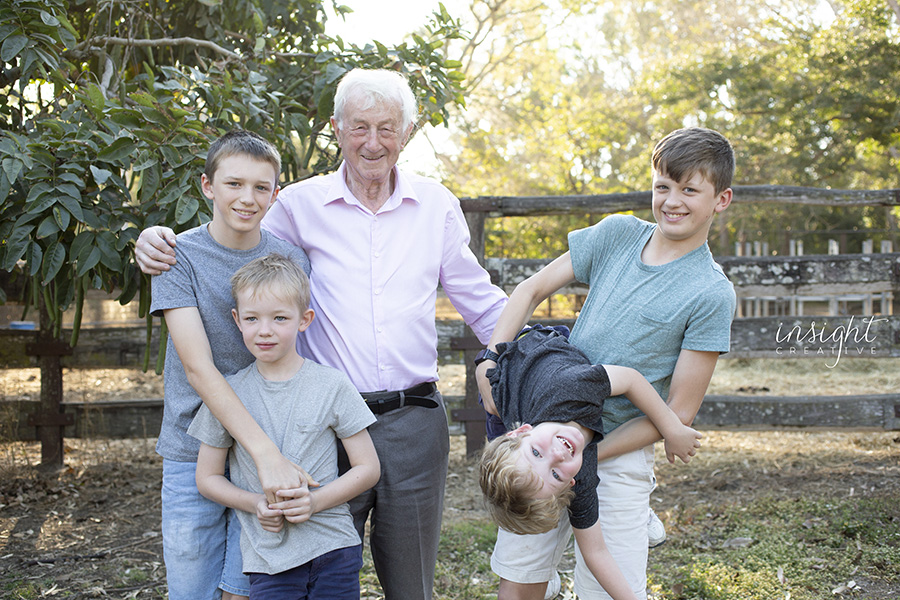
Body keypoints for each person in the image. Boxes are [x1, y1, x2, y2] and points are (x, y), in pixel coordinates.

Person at [135, 68, 508, 600]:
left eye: (387, 128)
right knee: (303, 574)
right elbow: (235, 232)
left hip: (414, 418)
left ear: (406, 133)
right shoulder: (296, 207)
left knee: (411, 582)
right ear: (336, 128)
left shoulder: (436, 206)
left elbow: (481, 300)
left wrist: (512, 356)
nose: (373, 142)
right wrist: (154, 240)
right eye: (359, 127)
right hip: (315, 424)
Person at [476, 127, 737, 599]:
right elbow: (530, 289)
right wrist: (491, 359)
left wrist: (587, 459)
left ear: (721, 199)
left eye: (690, 190)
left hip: (615, 452)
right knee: (521, 579)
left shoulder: (710, 292)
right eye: (663, 187)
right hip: (543, 440)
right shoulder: (617, 235)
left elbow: (677, 415)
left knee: (607, 584)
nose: (672, 201)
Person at [149, 129, 312, 600]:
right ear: (207, 186)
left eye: (261, 187)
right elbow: (198, 368)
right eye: (234, 184)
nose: (247, 198)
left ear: (275, 194)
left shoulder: (290, 259)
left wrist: (272, 453)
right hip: (191, 446)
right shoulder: (176, 256)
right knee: (191, 589)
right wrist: (267, 454)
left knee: (248, 589)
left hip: (269, 448)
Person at [189, 254, 380, 599]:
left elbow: (368, 468)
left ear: (304, 319)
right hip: (269, 557)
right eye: (252, 318)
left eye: (280, 318)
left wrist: (315, 502)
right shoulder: (226, 395)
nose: (265, 330)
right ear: (237, 320)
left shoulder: (332, 385)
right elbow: (207, 478)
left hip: (334, 548)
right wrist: (254, 504)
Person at [478, 325, 701, 600]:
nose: (557, 456)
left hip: (524, 354)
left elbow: (630, 380)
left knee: (493, 410)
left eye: (537, 452)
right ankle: (542, 571)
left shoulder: (574, 387)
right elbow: (596, 552)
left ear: (522, 430)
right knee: (522, 498)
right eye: (556, 475)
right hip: (524, 406)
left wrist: (672, 429)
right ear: (570, 486)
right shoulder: (578, 475)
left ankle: (640, 514)